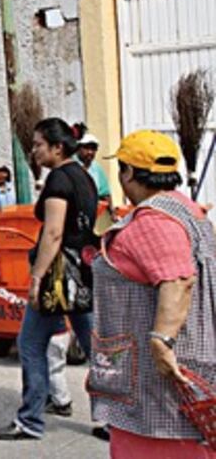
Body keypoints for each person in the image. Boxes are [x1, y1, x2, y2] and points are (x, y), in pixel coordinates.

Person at [88, 130, 216, 457]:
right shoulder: (188, 210)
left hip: (155, 386)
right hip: (185, 363)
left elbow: (177, 279)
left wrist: (161, 341)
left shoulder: (152, 220)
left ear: (128, 173)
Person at [0, 118, 98, 441]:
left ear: (58, 147)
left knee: (31, 344)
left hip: (57, 277)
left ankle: (30, 421)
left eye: (39, 144)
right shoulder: (85, 177)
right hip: (83, 272)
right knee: (98, 347)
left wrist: (37, 277)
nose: (34, 150)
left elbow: (53, 233)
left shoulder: (58, 180)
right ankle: (112, 420)